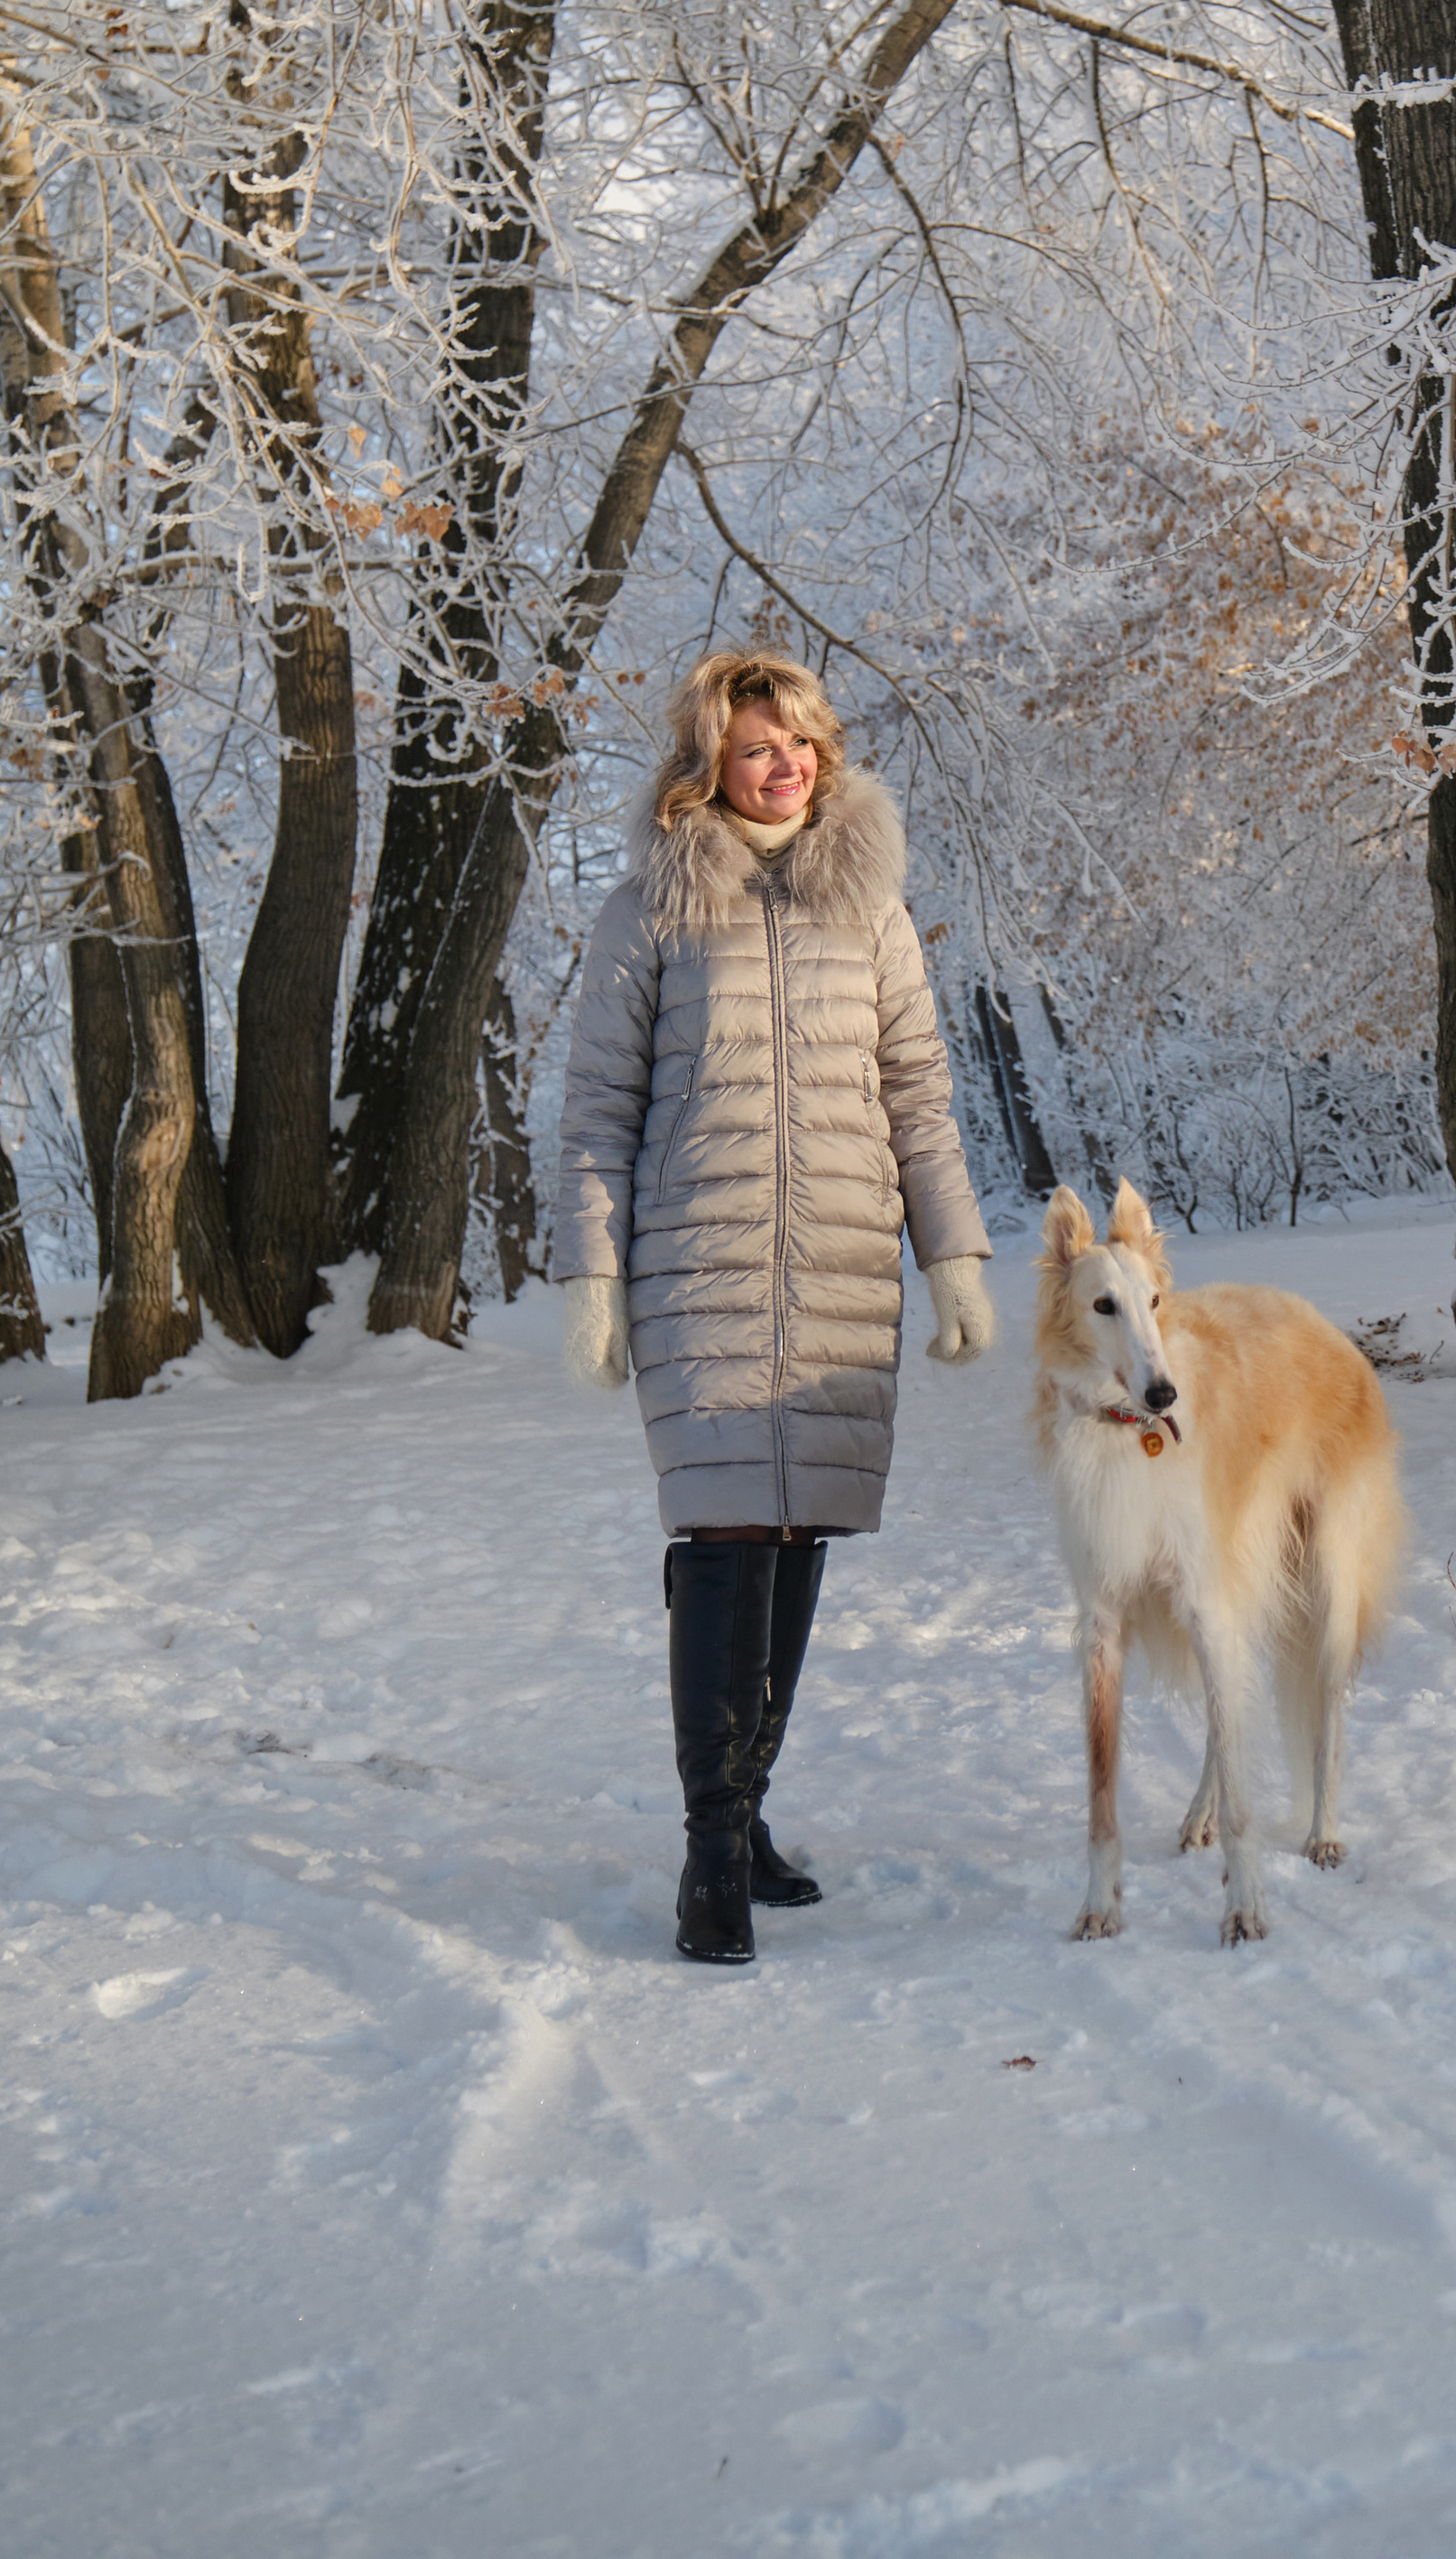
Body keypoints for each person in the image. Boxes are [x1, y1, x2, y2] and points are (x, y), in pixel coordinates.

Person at [552, 647, 995, 1963]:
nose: (785, 761)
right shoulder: (650, 910)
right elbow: (596, 1112)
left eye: (801, 739)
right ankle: (708, 1859)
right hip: (703, 1262)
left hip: (845, 1265)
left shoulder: (871, 909)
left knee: (798, 1531)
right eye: (758, 745)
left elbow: (918, 1094)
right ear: (709, 764)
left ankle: (746, 1818)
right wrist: (594, 1274)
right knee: (726, 1524)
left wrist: (952, 1256)